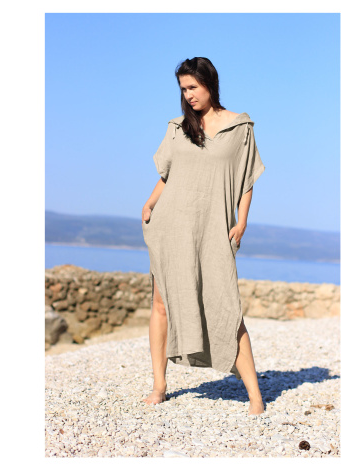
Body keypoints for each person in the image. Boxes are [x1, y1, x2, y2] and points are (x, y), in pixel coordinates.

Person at [141, 57, 266, 416]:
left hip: (213, 230)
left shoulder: (240, 127)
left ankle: (255, 396)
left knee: (227, 307)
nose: (188, 95)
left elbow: (246, 179)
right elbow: (167, 175)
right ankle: (159, 385)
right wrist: (149, 203)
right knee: (161, 304)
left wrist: (242, 221)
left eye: (193, 87)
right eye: (183, 89)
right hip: (170, 225)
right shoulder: (178, 127)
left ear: (210, 84)